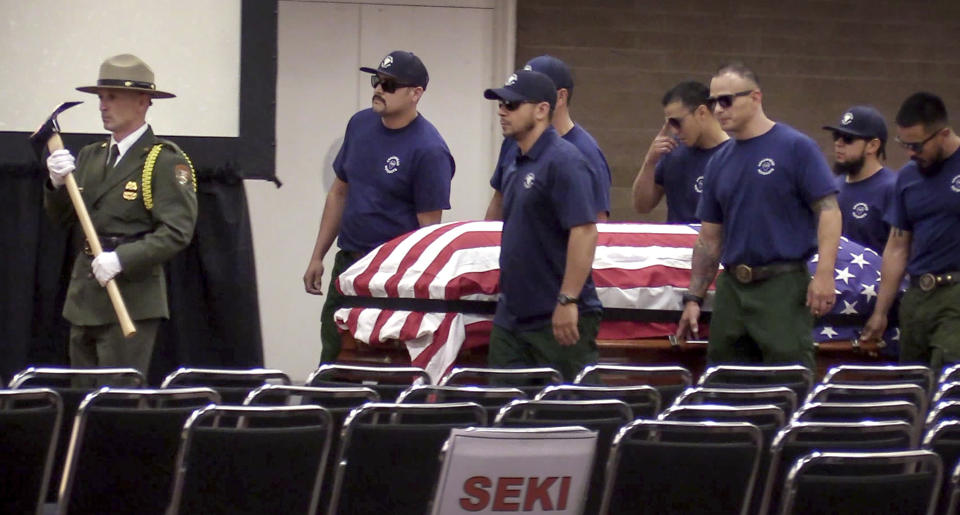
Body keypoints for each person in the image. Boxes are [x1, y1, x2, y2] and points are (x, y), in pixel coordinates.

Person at [675, 62, 841, 370]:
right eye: (712, 103)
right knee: (724, 380)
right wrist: (694, 297)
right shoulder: (719, 162)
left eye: (726, 100)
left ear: (755, 97)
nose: (718, 109)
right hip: (733, 289)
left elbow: (829, 212)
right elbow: (710, 238)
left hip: (782, 286)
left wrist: (825, 274)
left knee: (787, 378)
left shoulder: (795, 148)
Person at [44, 54, 198, 380]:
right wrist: (56, 185)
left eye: (112, 97)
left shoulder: (163, 160)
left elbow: (176, 232)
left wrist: (121, 259)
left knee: (117, 404)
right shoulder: (90, 156)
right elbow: (62, 219)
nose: (103, 105)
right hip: (85, 295)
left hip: (130, 295)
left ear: (143, 101)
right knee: (83, 401)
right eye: (101, 97)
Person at [303, 50, 455, 363]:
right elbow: (338, 193)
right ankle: (334, 409)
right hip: (349, 261)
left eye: (389, 85)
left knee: (385, 359)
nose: (377, 89)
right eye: (376, 81)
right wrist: (318, 255)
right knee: (334, 352)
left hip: (392, 274)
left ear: (416, 93)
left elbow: (429, 229)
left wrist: (419, 290)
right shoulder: (359, 125)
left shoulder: (428, 149)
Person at [482, 69, 602, 382]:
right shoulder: (513, 160)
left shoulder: (565, 161)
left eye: (511, 104)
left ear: (541, 109)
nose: (501, 111)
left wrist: (568, 300)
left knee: (564, 414)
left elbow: (585, 231)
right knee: (502, 411)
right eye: (500, 104)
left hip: (555, 314)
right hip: (512, 315)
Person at [860, 92, 960, 368]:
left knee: (949, 374)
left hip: (955, 291)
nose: (911, 153)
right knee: (912, 379)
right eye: (904, 144)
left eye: (917, 145)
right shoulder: (908, 177)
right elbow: (897, 247)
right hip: (917, 296)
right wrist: (881, 312)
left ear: (943, 134)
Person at [485, 55, 610, 221]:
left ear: (560, 97)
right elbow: (498, 202)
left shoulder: (584, 153)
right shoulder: (514, 141)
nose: (502, 111)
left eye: (514, 103)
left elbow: (596, 225)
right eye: (503, 102)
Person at [633, 81, 730, 222]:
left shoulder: (732, 156)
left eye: (677, 122)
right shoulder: (673, 151)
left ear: (701, 112)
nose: (674, 131)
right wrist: (650, 162)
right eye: (670, 124)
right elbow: (642, 207)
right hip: (678, 242)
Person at [822, 105, 896, 253]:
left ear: (873, 145)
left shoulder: (892, 189)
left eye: (848, 139)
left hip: (875, 274)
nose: (839, 143)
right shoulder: (833, 187)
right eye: (836, 136)